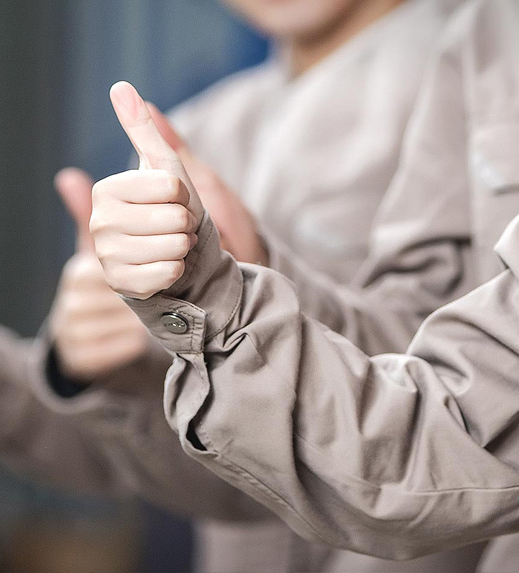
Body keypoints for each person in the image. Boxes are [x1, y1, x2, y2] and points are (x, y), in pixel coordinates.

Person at [0, 0, 467, 570]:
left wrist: (239, 289)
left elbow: (463, 407)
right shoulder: (202, 127)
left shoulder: (482, 84)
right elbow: (196, 466)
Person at [91, 0, 519, 568]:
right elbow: (224, 483)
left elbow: (443, 416)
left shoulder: (462, 47)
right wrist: (37, 378)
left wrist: (227, 290)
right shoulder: (201, 125)